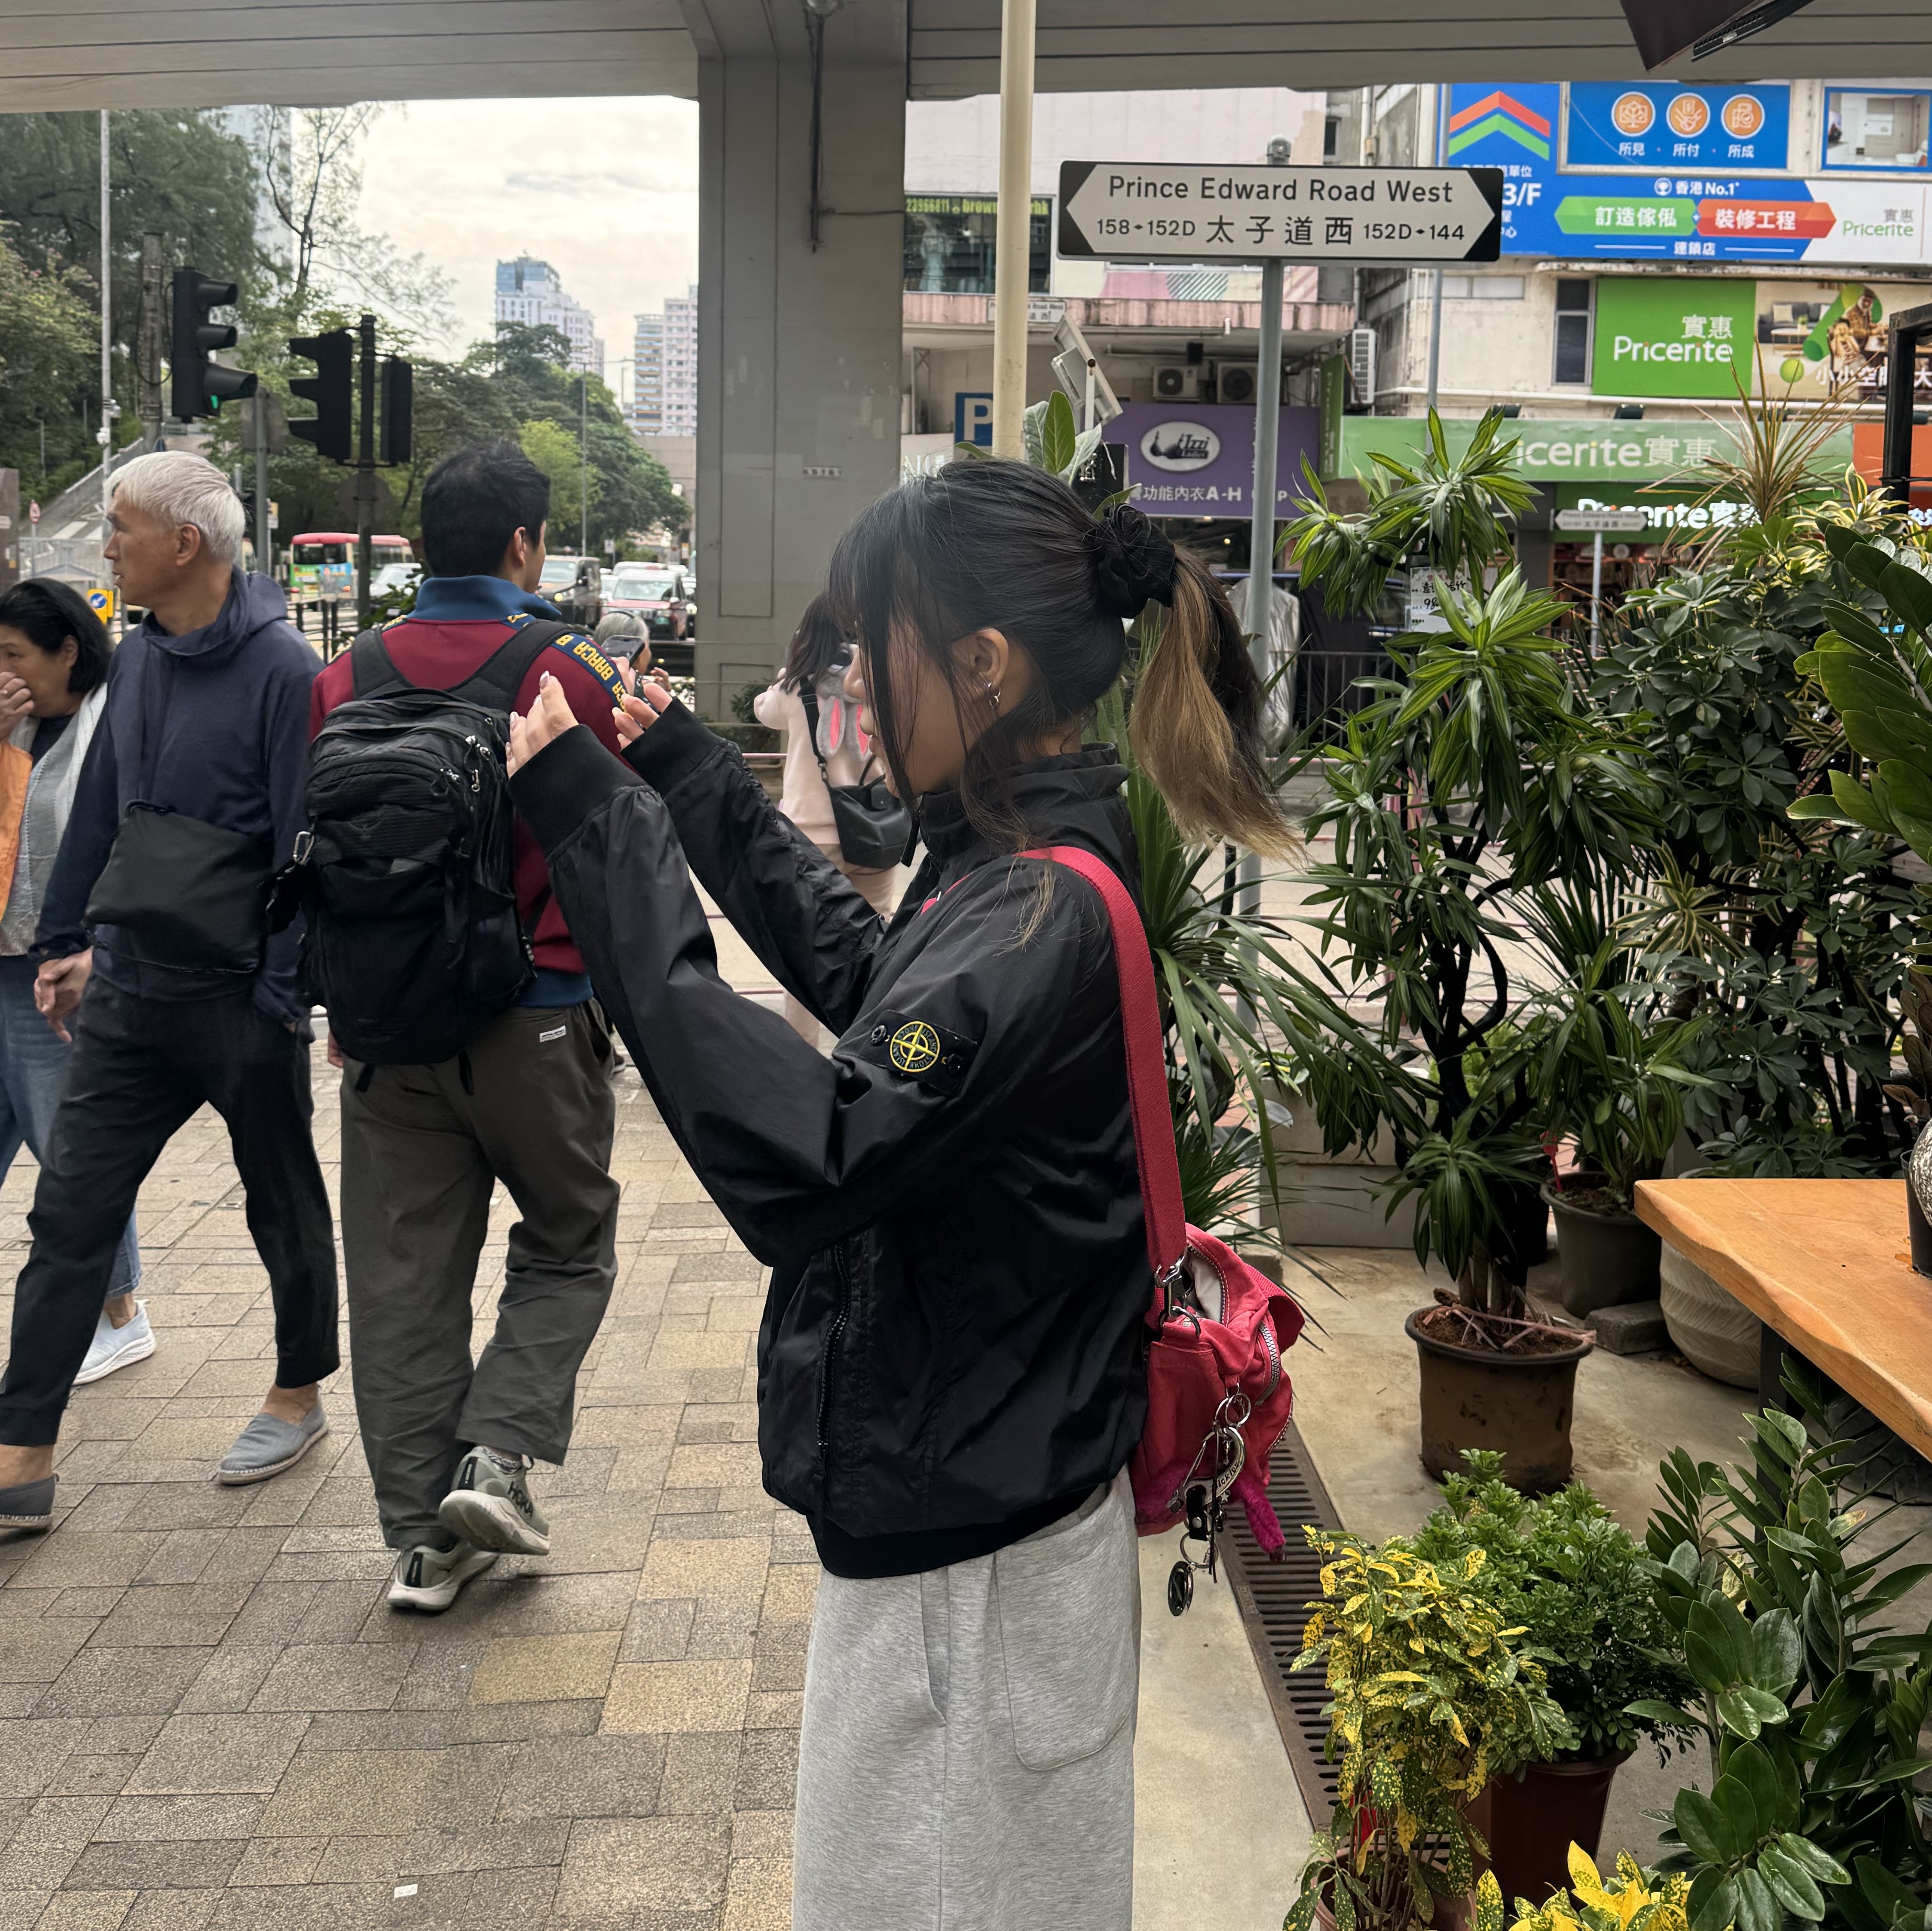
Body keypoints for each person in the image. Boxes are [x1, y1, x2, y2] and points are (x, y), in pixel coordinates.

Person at [504, 462, 1292, 1930]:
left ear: (983, 667)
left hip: (968, 1577)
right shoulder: (1008, 867)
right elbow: (882, 1004)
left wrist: (597, 829)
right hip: (975, 1520)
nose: (857, 675)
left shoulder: (1032, 905)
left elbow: (818, 1149)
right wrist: (679, 774)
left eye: (881, 640)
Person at [308, 441, 625, 1614]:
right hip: (535, 1016)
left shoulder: (345, 675)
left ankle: (421, 1541)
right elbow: (614, 849)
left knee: (399, 1280)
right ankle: (496, 1453)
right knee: (569, 1235)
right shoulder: (567, 673)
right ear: (522, 545)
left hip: (386, 1031)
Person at [0, 451, 338, 1536]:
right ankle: (24, 1451)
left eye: (123, 528)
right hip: (132, 997)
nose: (107, 545)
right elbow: (104, 805)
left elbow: (304, 840)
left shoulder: (285, 668)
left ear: (183, 544)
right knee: (69, 1215)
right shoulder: (138, 660)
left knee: (281, 1198)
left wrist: (283, 997)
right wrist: (66, 938)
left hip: (242, 996)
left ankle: (296, 1391)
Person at [0, 582, 144, 1383]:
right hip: (1, 958)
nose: (4, 671)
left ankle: (119, 1308)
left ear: (67, 651)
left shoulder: (111, 723)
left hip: (61, 966)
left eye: (15, 654)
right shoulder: (9, 724)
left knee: (71, 1149)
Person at [751, 596, 902, 1041]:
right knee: (877, 941)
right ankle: (866, 1049)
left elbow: (764, 709)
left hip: (809, 843)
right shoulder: (879, 682)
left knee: (808, 948)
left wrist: (790, 670)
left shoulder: (798, 686)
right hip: (875, 833)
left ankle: (803, 1058)